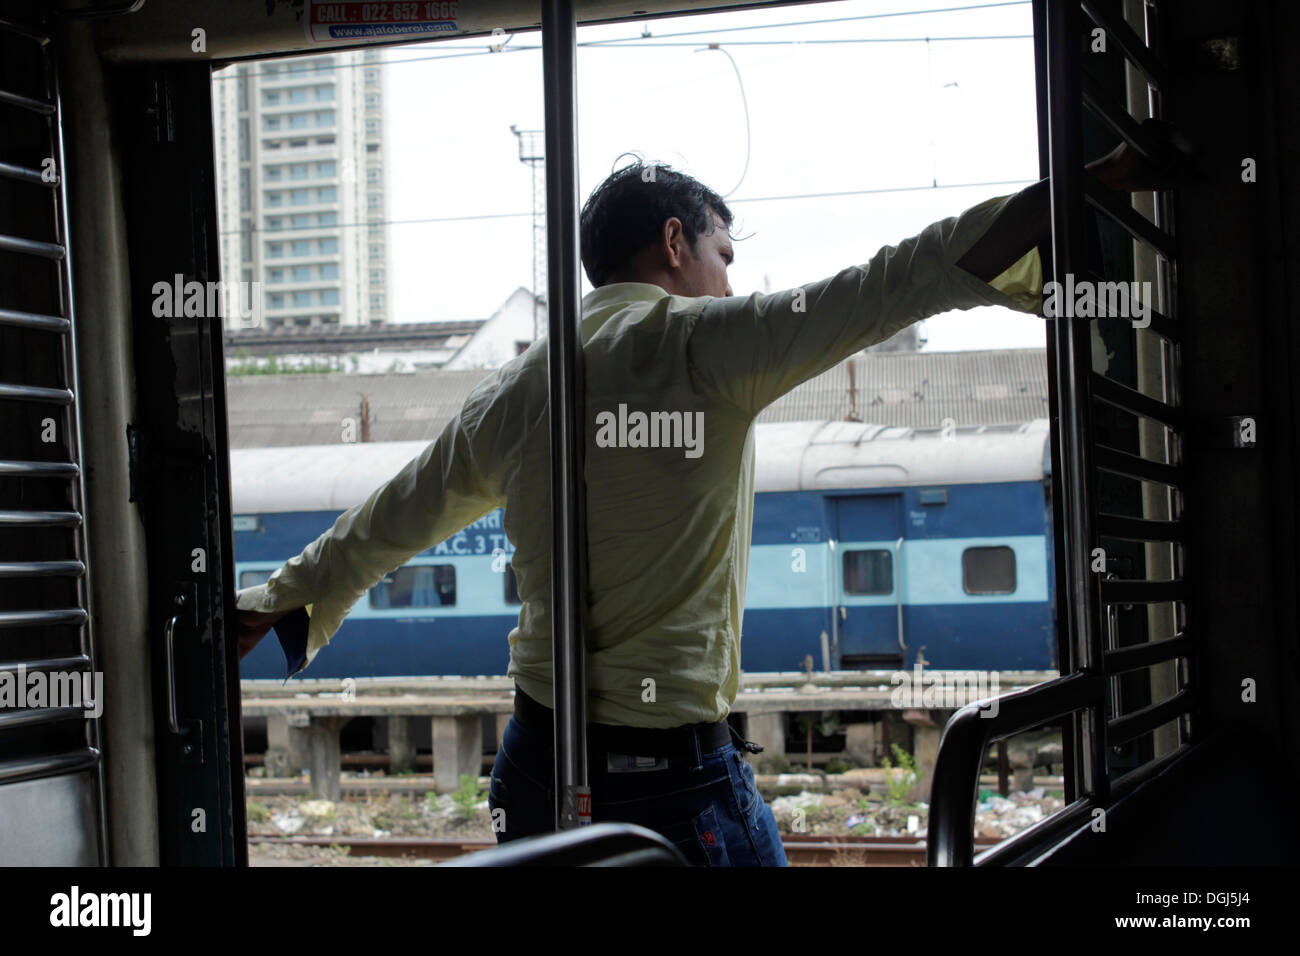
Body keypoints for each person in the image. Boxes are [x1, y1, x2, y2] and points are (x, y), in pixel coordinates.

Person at [237, 140, 1175, 866]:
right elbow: (908, 274)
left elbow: (397, 511)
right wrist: (1086, 182)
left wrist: (277, 597)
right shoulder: (705, 347)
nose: (734, 278)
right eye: (724, 252)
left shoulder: (516, 389)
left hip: (536, 757)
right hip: (670, 775)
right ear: (677, 245)